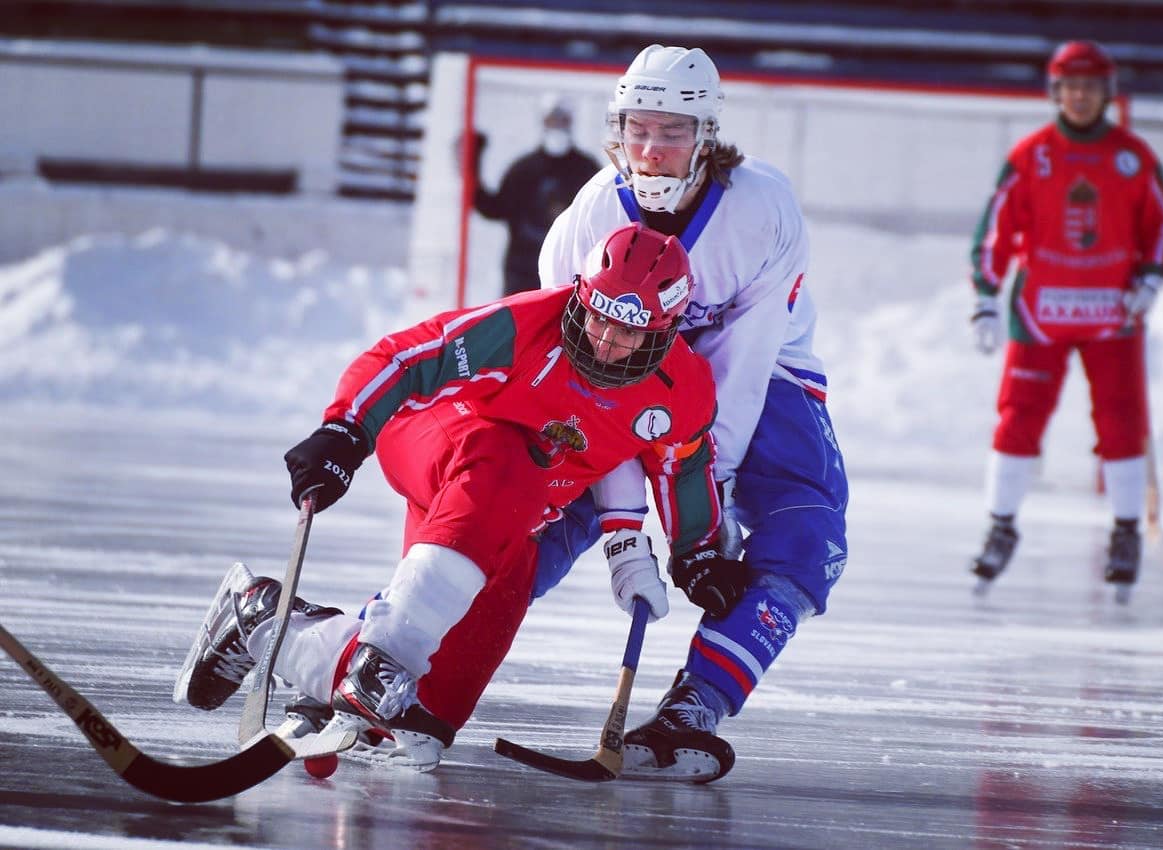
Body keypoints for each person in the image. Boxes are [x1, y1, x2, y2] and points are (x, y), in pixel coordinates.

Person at [174, 223, 723, 770]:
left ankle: (270, 624)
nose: (604, 342)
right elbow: (404, 357)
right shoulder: (526, 325)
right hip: (438, 440)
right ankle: (383, 657)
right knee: (509, 460)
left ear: (666, 333)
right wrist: (346, 429)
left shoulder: (686, 392)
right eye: (598, 317)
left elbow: (684, 466)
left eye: (626, 334)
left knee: (431, 714)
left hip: (510, 514)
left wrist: (696, 550)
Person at [534, 45, 849, 781]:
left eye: (672, 131)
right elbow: (588, 383)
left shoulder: (759, 210)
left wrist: (705, 523)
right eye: (638, 129)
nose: (652, 148)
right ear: (616, 131)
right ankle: (406, 647)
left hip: (763, 370)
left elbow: (738, 370)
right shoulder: (587, 221)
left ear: (706, 136)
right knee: (539, 506)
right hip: (619, 373)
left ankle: (697, 701)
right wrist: (621, 532)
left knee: (810, 532)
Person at [967, 40, 1163, 593]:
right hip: (1041, 316)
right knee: (1018, 417)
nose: (1080, 97)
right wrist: (987, 297)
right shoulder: (1031, 155)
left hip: (1113, 314)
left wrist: (1151, 277)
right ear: (1056, 92)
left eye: (1090, 86)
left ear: (1106, 93)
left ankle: (1127, 531)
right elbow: (997, 231)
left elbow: (1160, 223)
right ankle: (1000, 526)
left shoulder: (1133, 158)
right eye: (1070, 86)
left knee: (1122, 419)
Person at [471, 95, 600, 296]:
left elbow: (601, 215)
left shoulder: (586, 170)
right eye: (551, 120)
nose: (557, 126)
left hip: (570, 274)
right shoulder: (523, 170)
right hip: (522, 273)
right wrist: (472, 164)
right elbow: (494, 209)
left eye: (562, 120)